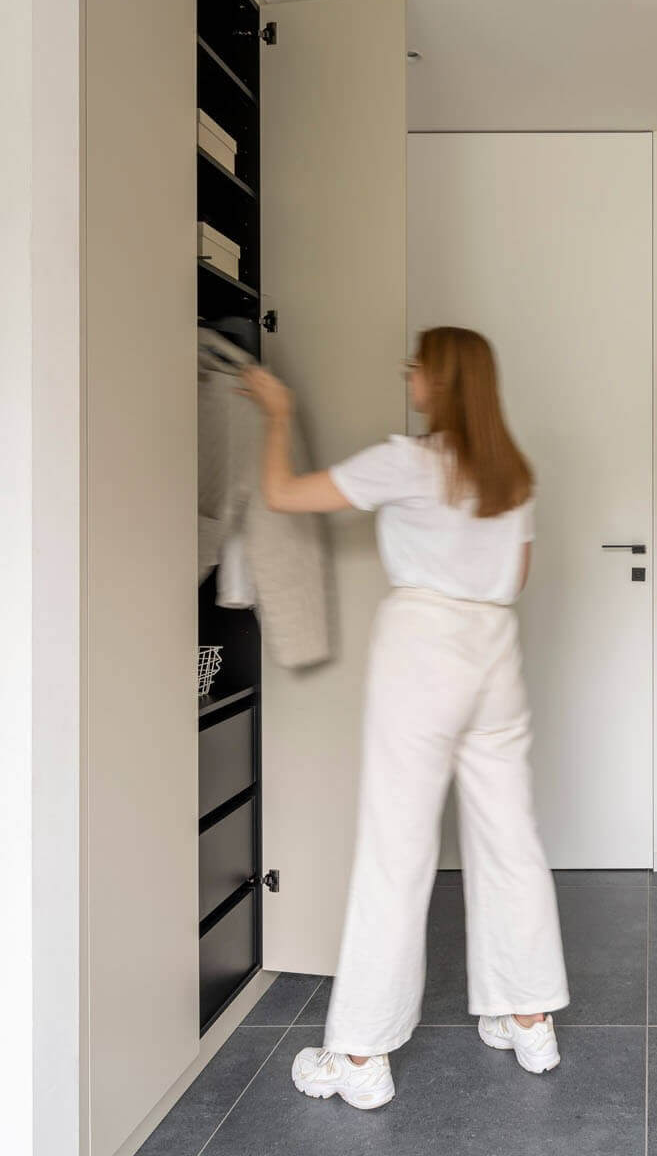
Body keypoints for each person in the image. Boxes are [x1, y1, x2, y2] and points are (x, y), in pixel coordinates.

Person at [239, 326, 569, 1111]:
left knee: (397, 849)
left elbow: (285, 494)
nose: (408, 376)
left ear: (442, 381)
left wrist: (278, 414)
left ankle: (357, 1054)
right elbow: (515, 578)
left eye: (417, 367)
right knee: (510, 837)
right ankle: (529, 1020)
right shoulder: (511, 476)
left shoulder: (406, 460)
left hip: (423, 649)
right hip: (496, 654)